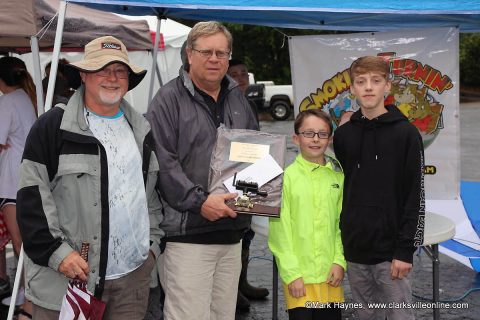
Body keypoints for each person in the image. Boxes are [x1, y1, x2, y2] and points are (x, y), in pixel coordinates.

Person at [16, 35, 163, 320]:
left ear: (128, 79)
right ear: (83, 74)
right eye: (101, 69)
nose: (112, 78)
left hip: (131, 280)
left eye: (120, 70)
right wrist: (59, 254)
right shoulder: (52, 127)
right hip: (68, 280)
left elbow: (151, 195)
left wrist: (152, 248)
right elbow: (31, 199)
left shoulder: (141, 130)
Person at [147, 21, 258, 320]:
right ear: (189, 54)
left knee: (224, 315)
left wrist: (256, 197)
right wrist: (200, 202)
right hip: (188, 236)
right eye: (206, 51)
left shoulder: (238, 99)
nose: (214, 59)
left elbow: (256, 157)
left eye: (222, 53)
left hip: (232, 233)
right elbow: (163, 164)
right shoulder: (167, 101)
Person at [333, 56, 425, 320]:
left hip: (391, 253)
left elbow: (414, 196)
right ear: (352, 88)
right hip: (355, 248)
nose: (368, 87)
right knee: (365, 315)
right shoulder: (343, 136)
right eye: (361, 82)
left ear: (388, 86)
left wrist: (405, 250)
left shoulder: (406, 134)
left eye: (376, 80)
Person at [268, 109, 346, 320]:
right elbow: (279, 233)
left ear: (329, 139)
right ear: (296, 138)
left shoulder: (339, 178)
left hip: (330, 276)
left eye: (322, 134)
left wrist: (339, 262)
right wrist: (292, 274)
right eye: (308, 133)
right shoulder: (285, 179)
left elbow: (343, 225)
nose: (315, 139)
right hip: (299, 278)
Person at [227, 58, 267, 311]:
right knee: (233, 234)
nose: (241, 78)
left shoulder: (250, 104)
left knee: (247, 233)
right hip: (229, 177)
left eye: (244, 74)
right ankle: (231, 291)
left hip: (250, 176)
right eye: (235, 74)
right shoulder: (224, 103)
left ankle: (242, 284)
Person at [0, 56, 37, 319]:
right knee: (25, 240)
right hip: (29, 178)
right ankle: (28, 292)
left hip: (12, 181)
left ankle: (26, 294)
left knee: (19, 241)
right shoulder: (27, 97)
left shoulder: (8, 102)